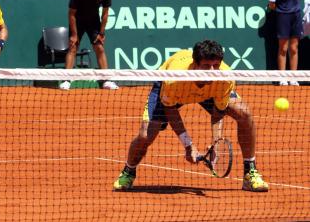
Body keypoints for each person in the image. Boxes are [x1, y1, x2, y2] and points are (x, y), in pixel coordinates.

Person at [113, 40, 269, 192]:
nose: (212, 71)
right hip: (177, 91)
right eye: (206, 66)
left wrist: (217, 143)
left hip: (209, 92)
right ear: (195, 64)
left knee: (244, 113)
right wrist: (188, 145)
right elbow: (171, 110)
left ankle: (250, 172)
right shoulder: (174, 79)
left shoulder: (224, 78)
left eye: (216, 65)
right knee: (146, 134)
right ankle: (128, 171)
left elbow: (218, 112)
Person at [59, 0, 118, 90]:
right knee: (73, 47)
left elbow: (105, 14)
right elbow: (71, 14)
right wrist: (74, 35)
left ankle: (106, 80)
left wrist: (101, 33)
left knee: (100, 48)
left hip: (93, 21)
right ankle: (66, 80)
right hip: (78, 20)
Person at [268, 0, 303, 86]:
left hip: (296, 16)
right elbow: (272, 4)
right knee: (283, 48)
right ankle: (282, 77)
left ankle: (293, 77)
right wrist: (272, 6)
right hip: (282, 17)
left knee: (294, 48)